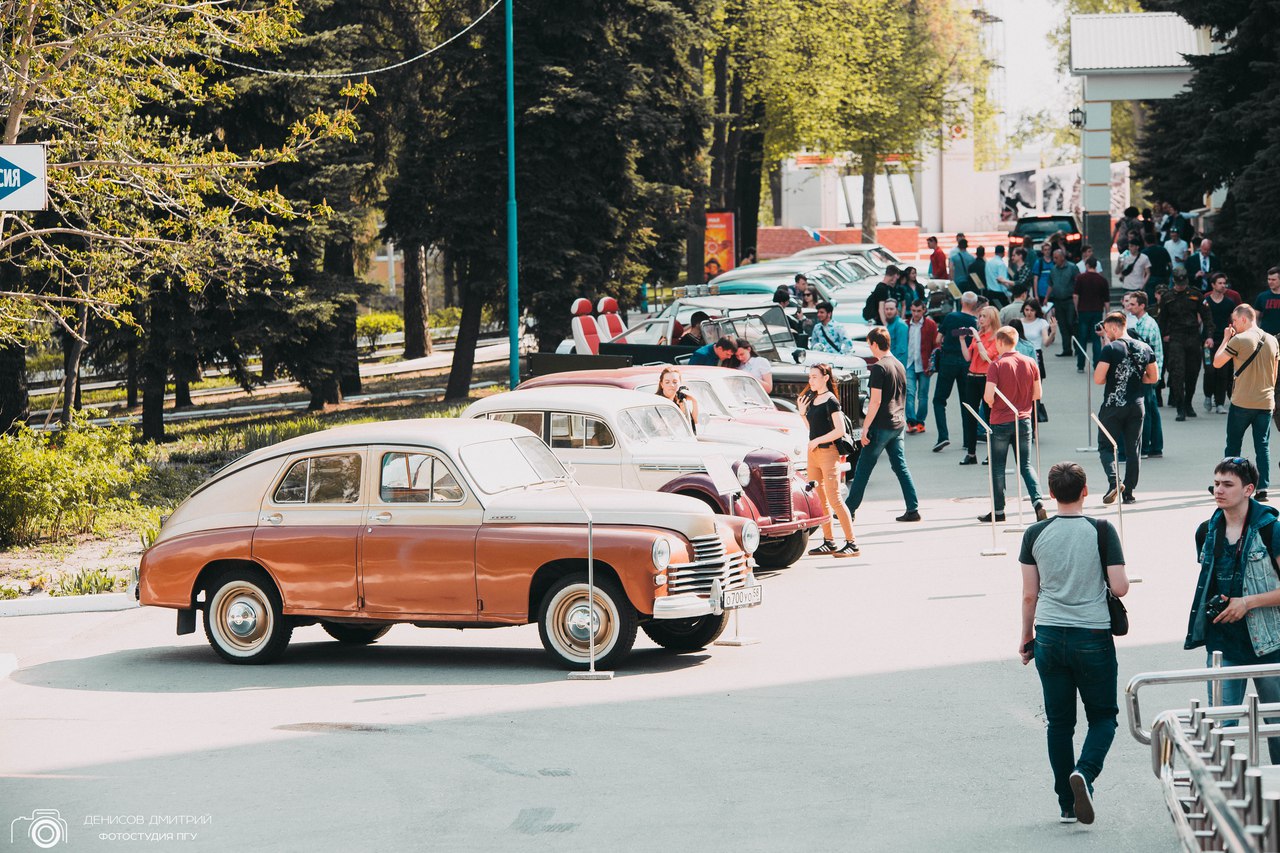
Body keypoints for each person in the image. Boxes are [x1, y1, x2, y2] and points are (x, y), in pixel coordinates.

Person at [1020, 462, 1129, 826]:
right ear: (1085, 491)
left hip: (1049, 634)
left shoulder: (1034, 533)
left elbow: (1029, 595)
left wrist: (1026, 637)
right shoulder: (1101, 530)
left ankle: (1067, 804)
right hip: (1092, 635)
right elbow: (1119, 587)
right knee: (1103, 717)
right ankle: (1085, 772)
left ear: (1050, 494)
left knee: (1059, 723)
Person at [1186, 457, 1280, 764]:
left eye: (1228, 484)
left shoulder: (1272, 531)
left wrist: (1247, 602)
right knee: (1218, 731)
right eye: (1216, 483)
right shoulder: (1206, 531)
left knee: (1276, 730)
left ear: (1249, 489)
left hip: (1270, 645)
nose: (1219, 490)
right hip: (1223, 644)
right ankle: (1216, 801)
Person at [843, 327, 921, 524]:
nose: (870, 348)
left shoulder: (879, 368)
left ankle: (849, 509)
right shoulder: (898, 364)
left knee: (863, 468)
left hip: (881, 424)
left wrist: (866, 427)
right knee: (900, 467)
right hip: (897, 424)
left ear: (875, 344)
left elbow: (875, 401)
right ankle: (913, 508)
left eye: (870, 345)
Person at [1214, 304, 1280, 501]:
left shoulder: (1239, 339)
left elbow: (1217, 362)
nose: (1232, 325)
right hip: (1265, 401)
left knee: (1233, 445)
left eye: (1234, 321)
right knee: (1263, 445)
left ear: (1243, 319)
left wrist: (1226, 337)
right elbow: (1275, 373)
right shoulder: (1272, 340)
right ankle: (1262, 488)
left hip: (1242, 401)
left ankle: (1228, 483)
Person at [981, 326, 1047, 523]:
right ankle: (1038, 502)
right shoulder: (1030, 362)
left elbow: (988, 396)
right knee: (1025, 465)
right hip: (1024, 419)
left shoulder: (996, 365)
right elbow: (1038, 395)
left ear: (1000, 342)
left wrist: (993, 403)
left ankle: (999, 511)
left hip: (1001, 421)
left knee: (998, 467)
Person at [1094, 312, 1158, 503]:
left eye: (1107, 330)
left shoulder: (1110, 348)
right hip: (1136, 404)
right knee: (1133, 448)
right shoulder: (1145, 348)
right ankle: (1128, 492)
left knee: (1106, 446)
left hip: (1113, 404)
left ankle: (1114, 481)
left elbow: (1098, 379)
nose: (1106, 334)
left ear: (1114, 327)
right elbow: (1153, 377)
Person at [798, 364, 859, 557]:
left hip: (827, 453)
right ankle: (829, 541)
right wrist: (801, 413)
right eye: (810, 377)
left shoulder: (832, 401)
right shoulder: (815, 399)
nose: (811, 381)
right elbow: (812, 428)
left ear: (825, 378)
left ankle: (852, 543)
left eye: (815, 377)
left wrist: (817, 440)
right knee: (820, 498)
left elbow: (839, 430)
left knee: (835, 499)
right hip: (814, 453)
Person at [1159, 268, 1212, 421]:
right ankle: (1180, 406)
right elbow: (1162, 319)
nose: (1181, 286)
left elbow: (1207, 317)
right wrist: (1164, 336)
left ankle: (1188, 402)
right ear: (1174, 282)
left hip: (1193, 337)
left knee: (1192, 372)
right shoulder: (1167, 297)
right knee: (1177, 372)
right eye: (1179, 283)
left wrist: (1208, 336)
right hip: (1176, 337)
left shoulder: (1196, 295)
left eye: (1183, 283)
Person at [931, 291, 980, 453]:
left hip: (948, 360)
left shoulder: (951, 318)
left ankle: (943, 436)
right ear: (975, 305)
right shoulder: (975, 322)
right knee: (966, 401)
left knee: (939, 399)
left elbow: (938, 339)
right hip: (967, 362)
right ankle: (968, 440)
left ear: (961, 302)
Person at [1123, 292, 1164, 459]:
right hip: (1151, 371)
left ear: (1142, 306)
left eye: (1133, 304)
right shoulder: (1142, 322)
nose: (1129, 307)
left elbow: (1141, 354)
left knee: (1144, 410)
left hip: (1148, 373)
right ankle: (1156, 447)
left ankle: (1146, 448)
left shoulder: (1146, 324)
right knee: (1152, 409)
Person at [958, 305, 1000, 465]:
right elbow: (968, 357)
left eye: (984, 316)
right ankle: (971, 453)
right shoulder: (980, 335)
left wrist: (976, 337)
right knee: (970, 415)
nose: (980, 319)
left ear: (992, 319)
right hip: (972, 376)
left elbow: (986, 356)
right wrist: (963, 341)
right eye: (980, 316)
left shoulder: (995, 337)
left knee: (990, 416)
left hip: (986, 378)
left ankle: (992, 453)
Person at [1202, 273, 1239, 414]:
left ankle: (1219, 403)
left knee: (1223, 373)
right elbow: (1200, 319)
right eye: (1220, 283)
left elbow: (1233, 321)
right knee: (1209, 370)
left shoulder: (1229, 302)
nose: (1223, 286)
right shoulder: (1205, 301)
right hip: (1207, 342)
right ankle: (1207, 395)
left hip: (1224, 341)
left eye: (1224, 283)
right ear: (1213, 285)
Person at [905, 300, 937, 434]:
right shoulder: (906, 324)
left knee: (923, 396)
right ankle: (911, 422)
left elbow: (936, 345)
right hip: (909, 364)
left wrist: (932, 364)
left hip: (924, 365)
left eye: (918, 311)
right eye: (913, 311)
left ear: (924, 310)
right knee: (909, 393)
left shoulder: (930, 325)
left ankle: (920, 422)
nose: (916, 314)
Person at [1073, 258, 1110, 372]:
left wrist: (1077, 309)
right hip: (1097, 311)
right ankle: (1097, 364)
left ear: (1087, 265)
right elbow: (1106, 301)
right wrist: (1107, 314)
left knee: (1082, 338)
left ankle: (1080, 365)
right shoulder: (1102, 280)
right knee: (1096, 339)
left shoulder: (1080, 278)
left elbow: (1075, 296)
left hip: (1083, 311)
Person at [1047, 249, 1078, 358]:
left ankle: (1077, 348)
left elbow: (1077, 283)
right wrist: (1046, 298)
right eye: (1053, 257)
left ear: (1062, 257)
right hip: (1058, 301)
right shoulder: (1053, 270)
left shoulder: (1072, 267)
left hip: (1069, 300)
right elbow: (1050, 284)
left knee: (1072, 324)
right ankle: (1067, 349)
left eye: (1056, 258)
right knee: (1063, 326)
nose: (1054, 260)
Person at [655, 366, 700, 433]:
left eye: (675, 382)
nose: (672, 385)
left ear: (680, 383)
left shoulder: (680, 400)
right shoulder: (656, 403)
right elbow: (666, 430)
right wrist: (681, 411)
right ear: (662, 384)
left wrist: (694, 401)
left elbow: (694, 421)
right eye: (667, 382)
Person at [1141, 230, 1172, 304]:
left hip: (1150, 279)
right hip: (1162, 277)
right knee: (1163, 299)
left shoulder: (1144, 252)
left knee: (1151, 300)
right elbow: (1170, 264)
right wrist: (1168, 275)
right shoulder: (1163, 250)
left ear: (1145, 242)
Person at [1254, 267, 1280, 337]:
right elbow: (1255, 317)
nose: (1270, 282)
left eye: (1273, 280)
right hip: (1266, 337)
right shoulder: (1262, 297)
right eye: (1269, 279)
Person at [883, 299, 909, 364]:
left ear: (897, 310)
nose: (889, 311)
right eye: (887, 309)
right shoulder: (890, 324)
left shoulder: (900, 325)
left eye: (891, 309)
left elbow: (902, 351)